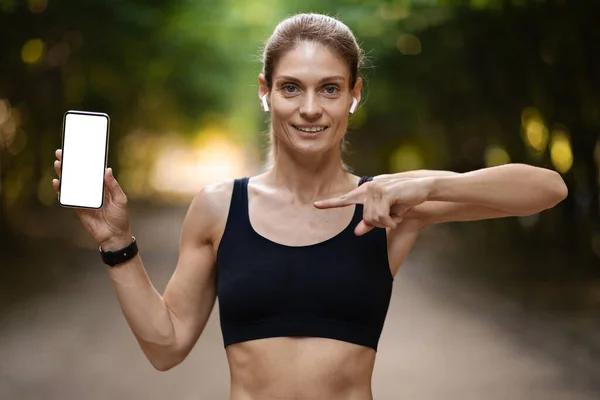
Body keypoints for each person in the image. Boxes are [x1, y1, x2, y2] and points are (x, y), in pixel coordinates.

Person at [52, 13, 568, 400]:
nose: (310, 108)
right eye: (291, 87)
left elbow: (546, 188)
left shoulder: (388, 201)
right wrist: (116, 243)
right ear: (265, 92)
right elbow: (166, 347)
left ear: (354, 95)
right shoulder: (218, 207)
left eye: (330, 89)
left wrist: (425, 188)